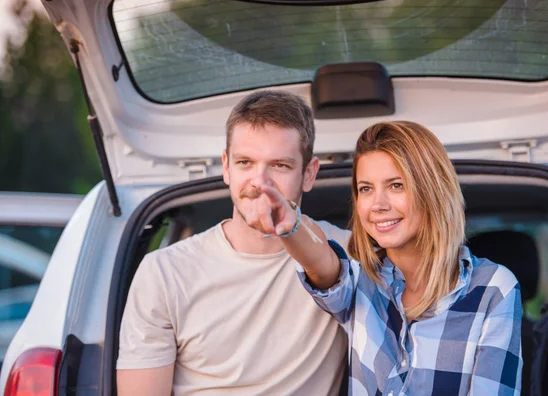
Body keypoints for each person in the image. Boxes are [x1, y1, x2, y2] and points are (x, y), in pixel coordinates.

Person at [246, 121, 523, 395]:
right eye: (365, 189)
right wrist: (291, 226)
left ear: (432, 189)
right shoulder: (361, 280)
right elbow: (322, 262)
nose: (378, 204)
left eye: (396, 185)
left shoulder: (493, 288)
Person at [116, 90, 349, 395]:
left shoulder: (349, 251)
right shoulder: (164, 272)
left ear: (309, 174)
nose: (259, 182)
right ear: (226, 167)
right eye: (245, 163)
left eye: (279, 165)